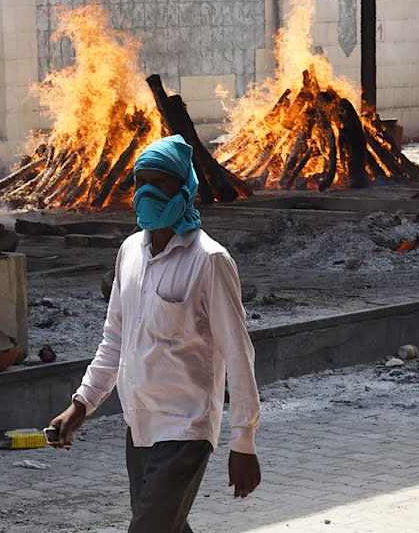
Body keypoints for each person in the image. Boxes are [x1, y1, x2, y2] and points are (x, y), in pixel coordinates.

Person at [49, 134, 261, 533]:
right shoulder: (129, 251)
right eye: (139, 182)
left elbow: (238, 355)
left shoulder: (209, 261)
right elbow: (114, 339)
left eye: (158, 183)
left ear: (185, 189)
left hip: (186, 428)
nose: (146, 192)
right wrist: (81, 405)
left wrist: (243, 443)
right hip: (140, 426)